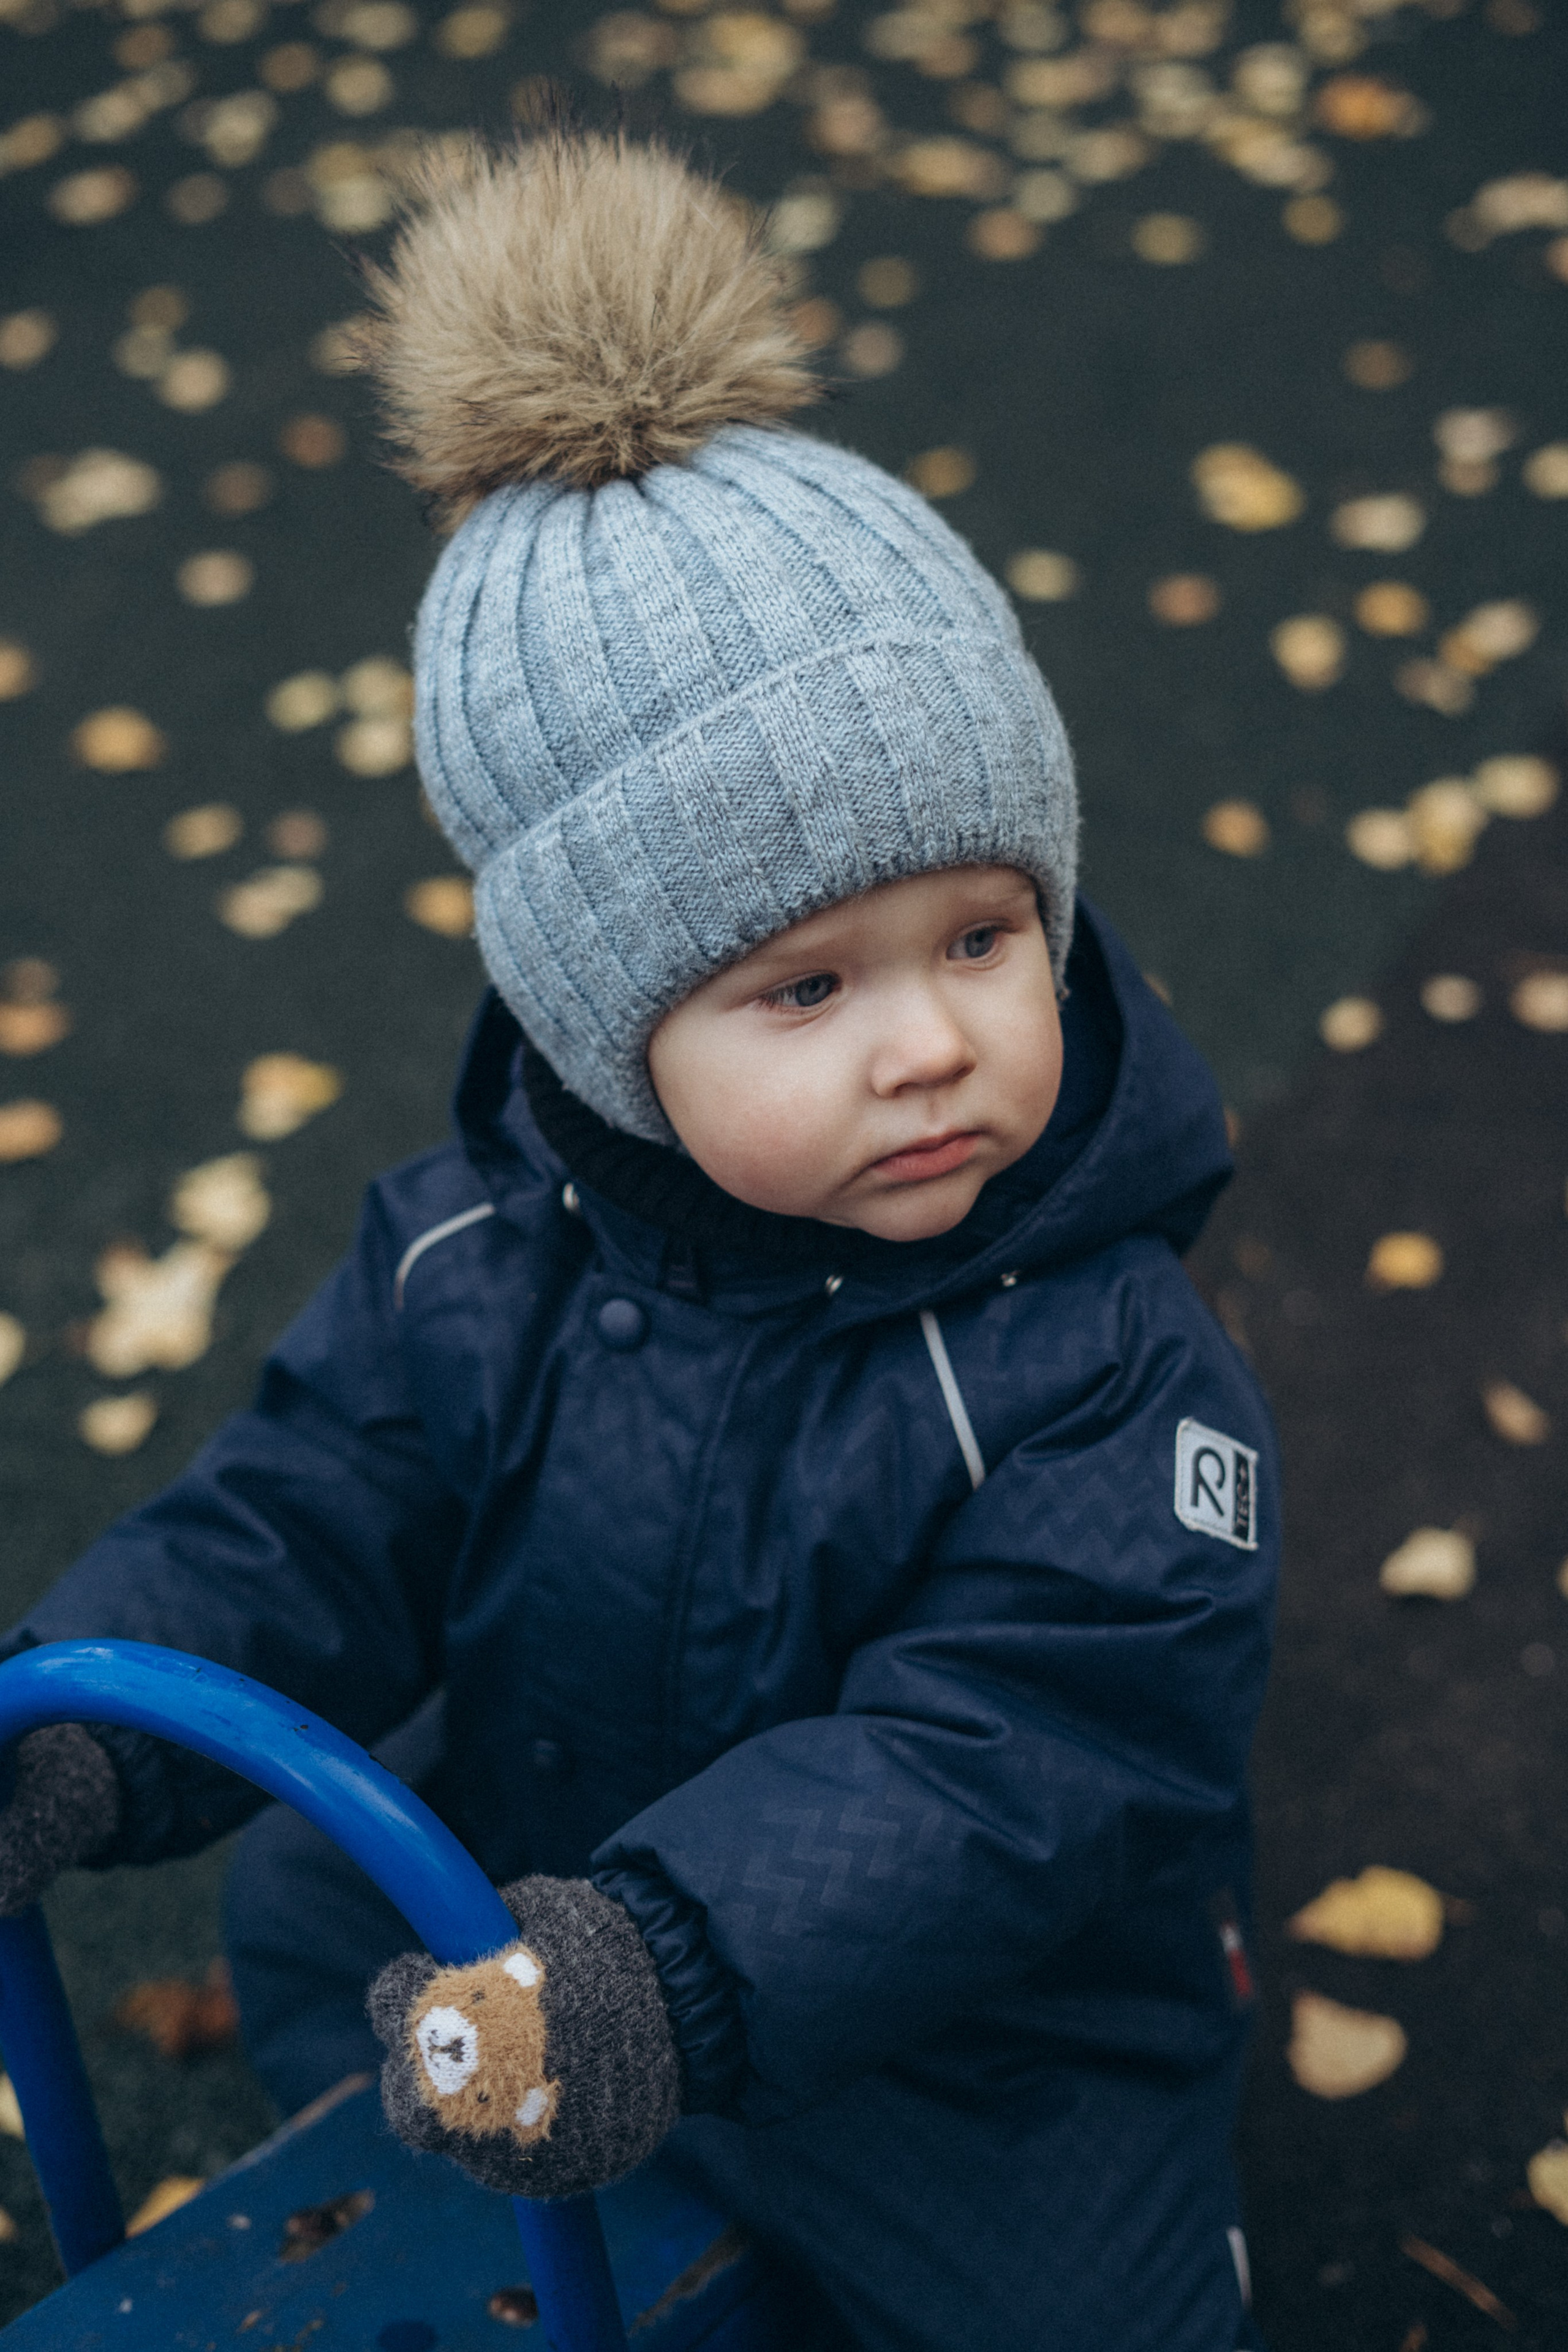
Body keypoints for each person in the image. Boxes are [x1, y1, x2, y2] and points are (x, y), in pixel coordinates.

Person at [0, 134, 1276, 2351]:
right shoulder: (469, 1256)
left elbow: (1015, 1757)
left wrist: (663, 1962)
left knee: (1102, 2305)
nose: (932, 1045)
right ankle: (488, 2211)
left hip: (943, 2050)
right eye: (806, 988)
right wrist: (94, 1729)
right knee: (323, 1928)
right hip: (522, 1921)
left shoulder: (1105, 1364)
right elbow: (310, 1512)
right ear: (612, 1031)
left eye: (981, 935)